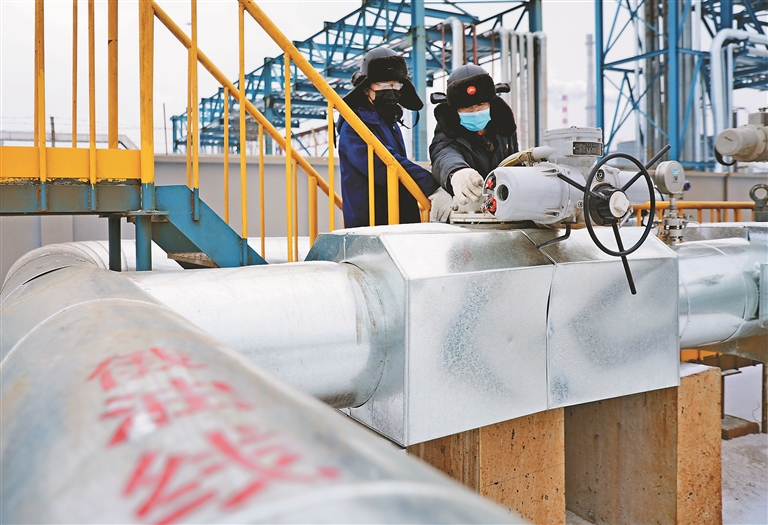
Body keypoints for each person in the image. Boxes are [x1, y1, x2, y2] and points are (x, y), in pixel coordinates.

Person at [338, 47, 453, 227]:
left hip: (395, 219)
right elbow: (385, 165)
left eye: (396, 85)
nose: (391, 90)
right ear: (366, 89)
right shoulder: (355, 126)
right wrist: (432, 186)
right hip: (371, 225)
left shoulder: (388, 121)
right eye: (384, 85)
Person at [429, 64, 519, 205]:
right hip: (469, 206)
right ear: (455, 110)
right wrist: (457, 171)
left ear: (490, 103)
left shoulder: (504, 129)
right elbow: (443, 155)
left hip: (506, 203)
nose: (475, 111)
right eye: (467, 107)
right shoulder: (446, 135)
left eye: (481, 104)